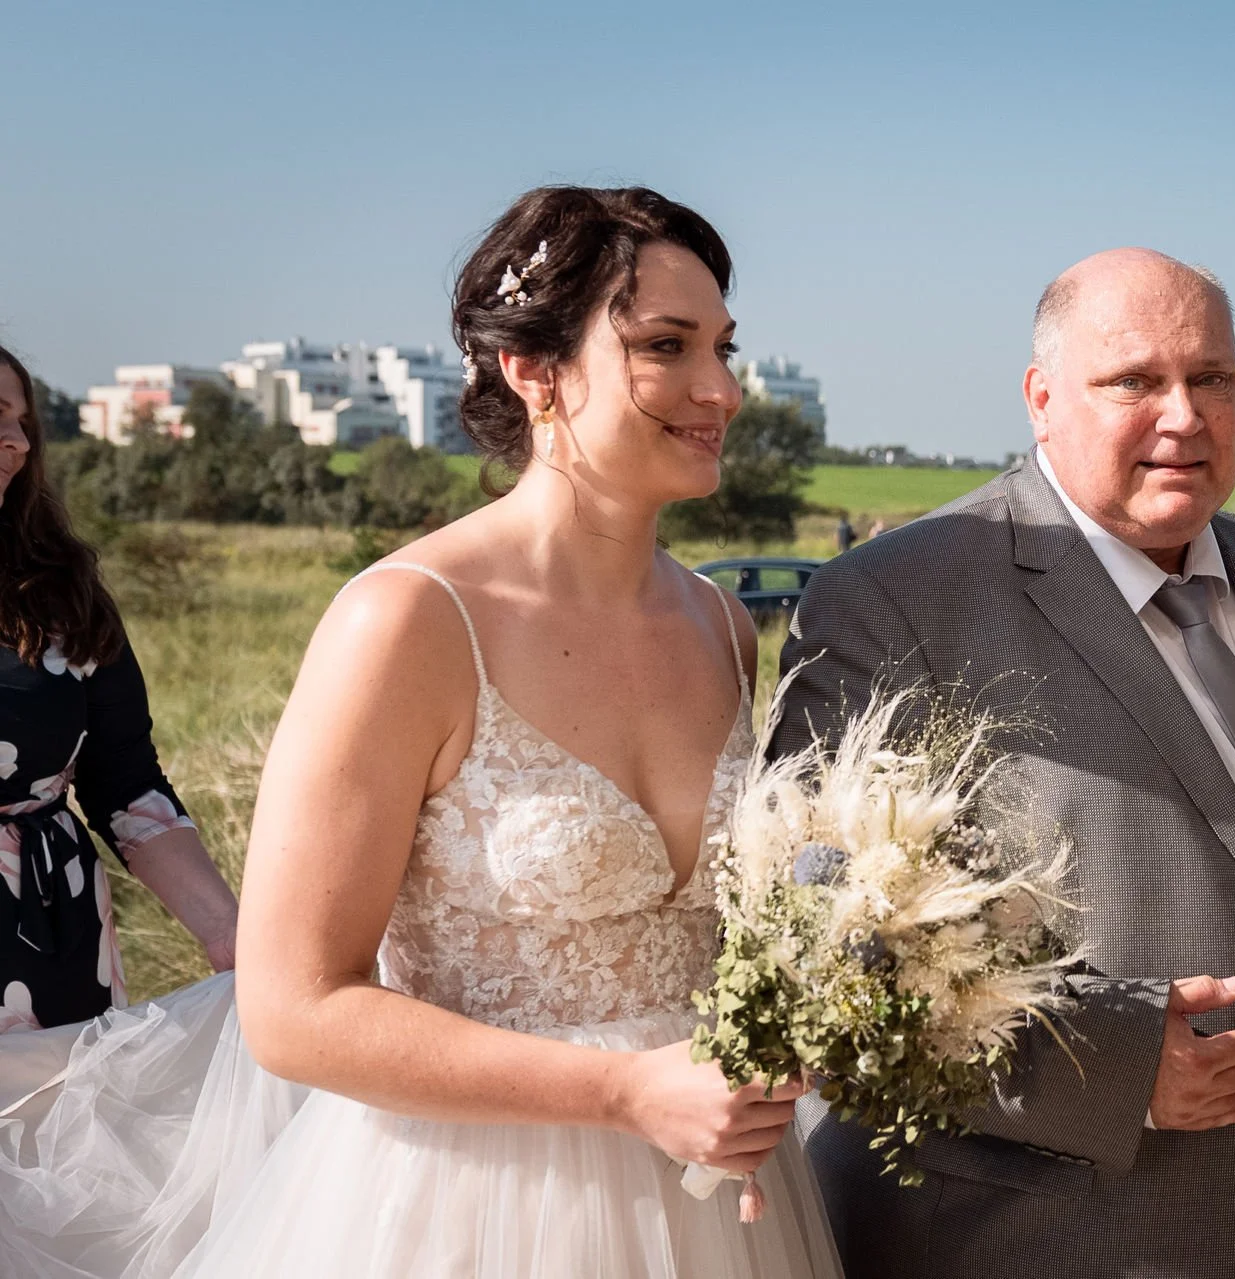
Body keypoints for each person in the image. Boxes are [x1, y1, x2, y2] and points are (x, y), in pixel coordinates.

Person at [0, 188, 840, 1278]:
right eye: (665, 346)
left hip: (718, 1205)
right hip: (474, 1208)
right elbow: (294, 1010)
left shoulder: (724, 626)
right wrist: (626, 1091)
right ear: (532, 371)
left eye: (725, 347)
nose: (721, 389)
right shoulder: (406, 620)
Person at [774, 249, 1235, 1279]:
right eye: (1135, 380)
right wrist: (1110, 1070)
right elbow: (818, 956)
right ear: (1041, 400)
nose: (1183, 415)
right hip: (1064, 1239)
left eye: (1212, 378)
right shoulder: (897, 600)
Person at [0, 344, 237, 1035]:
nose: (16, 441)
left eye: (23, 422)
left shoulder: (58, 593)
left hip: (49, 953)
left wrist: (229, 934)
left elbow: (126, 783)